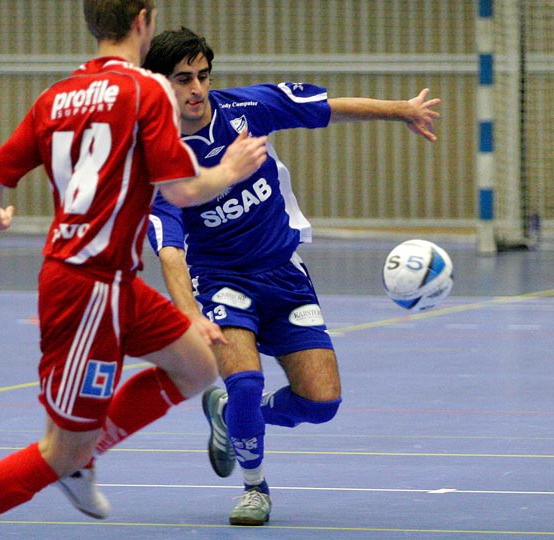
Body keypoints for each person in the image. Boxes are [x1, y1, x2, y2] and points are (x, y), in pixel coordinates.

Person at [0, 4, 268, 539]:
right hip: (84, 284)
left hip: (116, 279)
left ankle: (83, 455)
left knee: (197, 366)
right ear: (144, 21)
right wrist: (230, 169)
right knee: (57, 450)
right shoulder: (147, 91)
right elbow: (183, 190)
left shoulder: (55, 98)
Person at [143, 27, 440, 526]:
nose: (196, 88)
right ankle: (254, 487)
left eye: (202, 76)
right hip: (221, 279)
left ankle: (231, 415)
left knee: (321, 403)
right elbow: (170, 251)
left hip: (284, 273)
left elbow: (328, 108)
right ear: (158, 85)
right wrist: (191, 317)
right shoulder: (160, 161)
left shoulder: (247, 110)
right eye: (182, 79)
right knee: (244, 383)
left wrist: (401, 110)